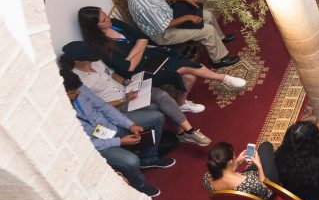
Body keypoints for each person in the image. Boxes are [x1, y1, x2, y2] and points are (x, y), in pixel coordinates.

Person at [78, 6, 245, 113]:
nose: (108, 19)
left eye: (105, 15)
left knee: (189, 75)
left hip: (152, 56)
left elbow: (142, 37)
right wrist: (139, 47)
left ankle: (181, 103)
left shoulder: (115, 23)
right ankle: (224, 79)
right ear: (94, 26)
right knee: (185, 69)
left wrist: (135, 50)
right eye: (103, 20)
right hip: (140, 72)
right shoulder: (98, 46)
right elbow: (128, 67)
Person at [61, 43, 210, 146]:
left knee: (161, 95)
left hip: (128, 92)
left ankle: (189, 131)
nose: (93, 57)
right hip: (117, 105)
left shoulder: (96, 62)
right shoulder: (77, 80)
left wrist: (127, 82)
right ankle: (180, 133)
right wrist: (124, 99)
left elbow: (112, 75)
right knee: (156, 108)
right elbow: (99, 106)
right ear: (77, 61)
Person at [65, 67, 171, 197]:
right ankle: (140, 185)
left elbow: (104, 107)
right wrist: (119, 141)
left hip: (110, 126)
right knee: (131, 161)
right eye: (72, 93)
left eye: (77, 90)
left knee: (157, 117)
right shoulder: (60, 116)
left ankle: (148, 159)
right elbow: (86, 144)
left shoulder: (79, 89)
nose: (77, 94)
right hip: (97, 144)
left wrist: (130, 125)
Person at [124, 0, 239, 68]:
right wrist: (188, 17)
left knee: (207, 15)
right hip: (164, 33)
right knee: (207, 31)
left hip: (169, 17)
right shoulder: (144, 6)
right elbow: (164, 26)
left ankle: (219, 38)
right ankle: (218, 60)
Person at [203, 142, 272, 200]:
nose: (235, 157)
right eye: (234, 156)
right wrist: (259, 166)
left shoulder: (206, 178)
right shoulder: (250, 181)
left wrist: (236, 162)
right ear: (230, 162)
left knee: (263, 158)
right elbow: (266, 193)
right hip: (263, 189)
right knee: (266, 146)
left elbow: (225, 173)